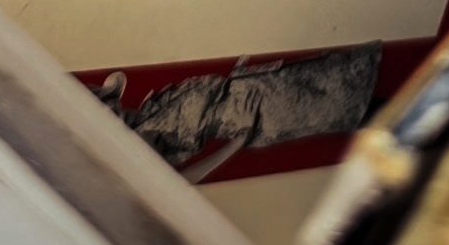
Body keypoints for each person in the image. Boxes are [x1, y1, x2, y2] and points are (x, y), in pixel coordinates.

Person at [95, 44, 384, 181]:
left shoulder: (151, 108)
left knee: (345, 76)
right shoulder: (142, 142)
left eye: (106, 107)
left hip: (256, 83)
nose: (111, 115)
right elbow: (184, 180)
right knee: (352, 106)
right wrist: (236, 144)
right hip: (257, 114)